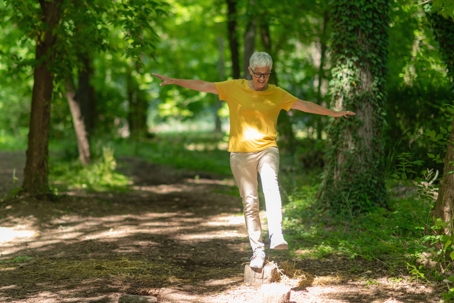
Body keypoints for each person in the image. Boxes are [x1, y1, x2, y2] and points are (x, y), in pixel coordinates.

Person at [153, 52, 355, 269]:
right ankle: (257, 251)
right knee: (250, 202)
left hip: (267, 148)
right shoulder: (233, 87)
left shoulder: (277, 93)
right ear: (250, 71)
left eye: (266, 75)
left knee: (271, 187)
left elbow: (305, 105)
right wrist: (175, 81)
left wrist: (333, 113)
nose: (262, 79)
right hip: (240, 154)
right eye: (258, 74)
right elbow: (203, 85)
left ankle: (276, 234)